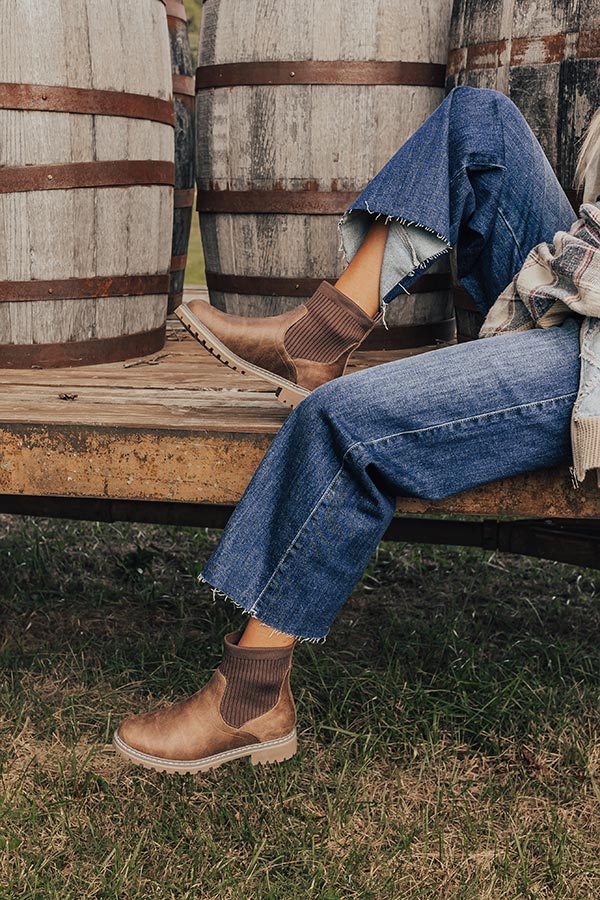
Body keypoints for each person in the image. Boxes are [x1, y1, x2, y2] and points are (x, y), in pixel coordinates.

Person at [113, 86, 600, 775]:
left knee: (344, 423)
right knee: (479, 122)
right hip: (586, 265)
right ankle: (322, 334)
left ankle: (250, 698)